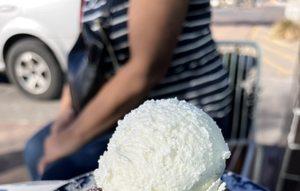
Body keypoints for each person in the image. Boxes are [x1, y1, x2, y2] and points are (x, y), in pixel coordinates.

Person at [25, 0, 232, 180]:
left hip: (185, 118)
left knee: (58, 170)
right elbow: (86, 55)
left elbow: (145, 70)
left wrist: (70, 138)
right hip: (125, 112)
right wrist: (66, 112)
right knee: (35, 148)